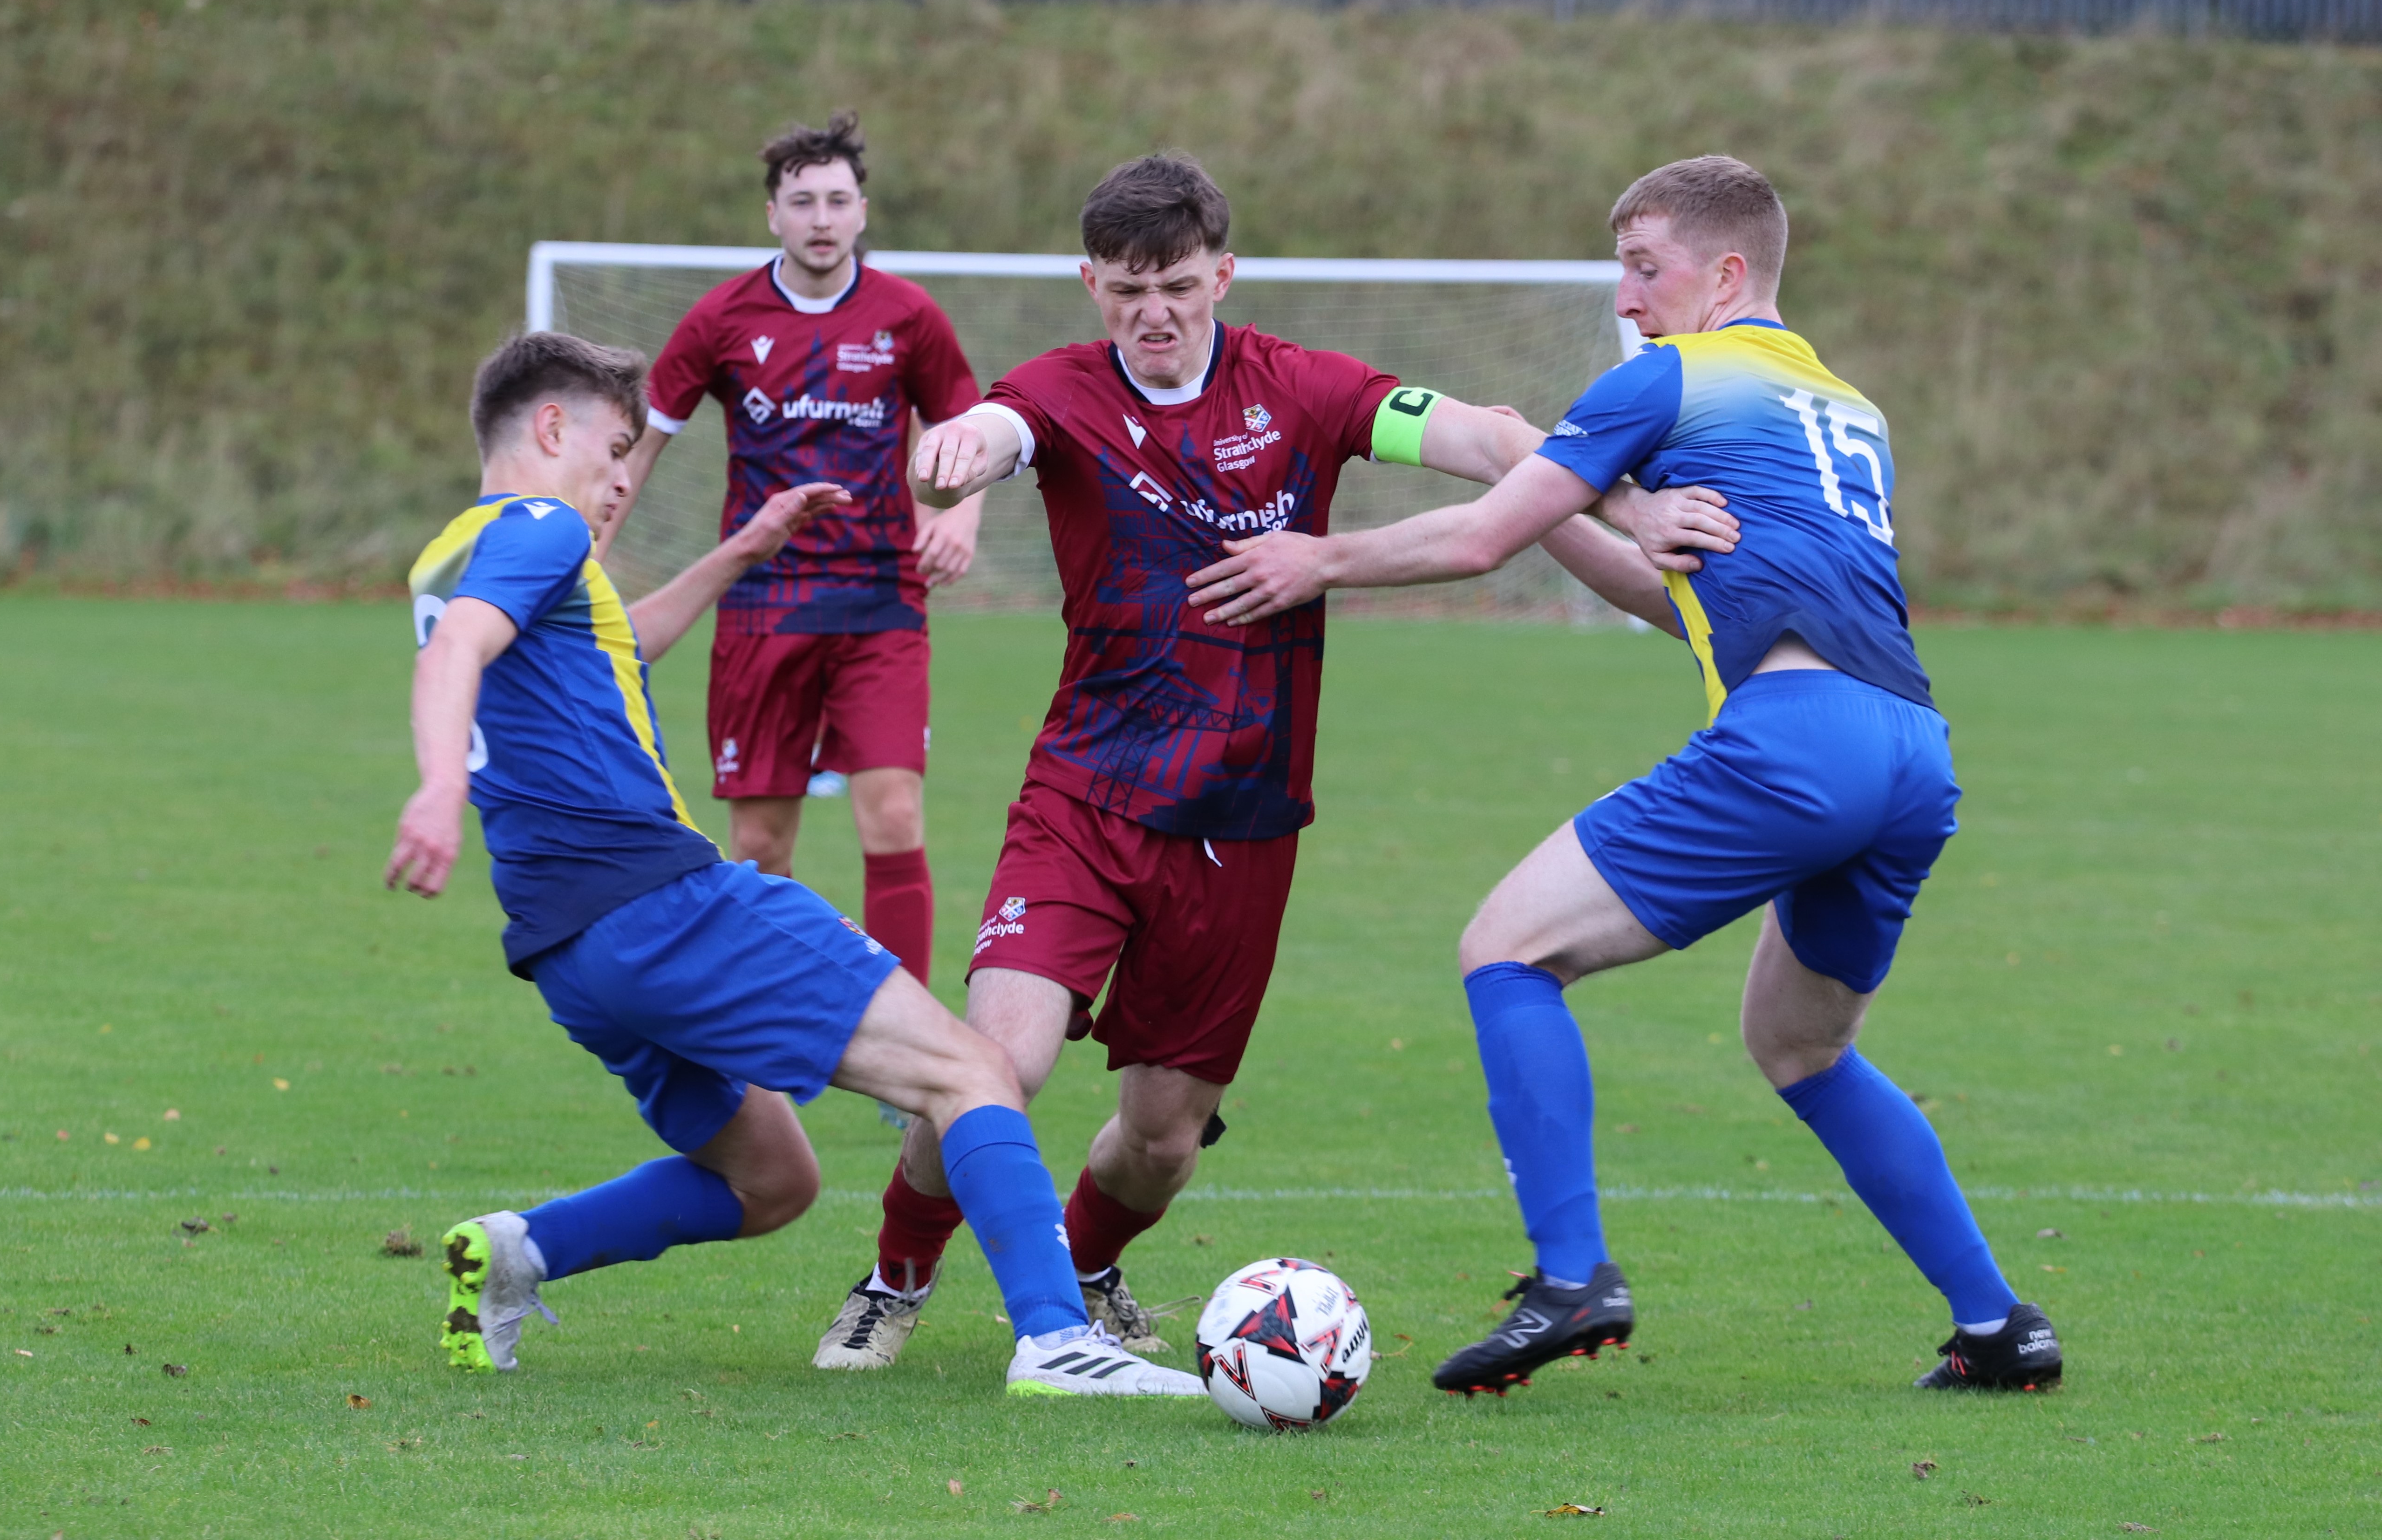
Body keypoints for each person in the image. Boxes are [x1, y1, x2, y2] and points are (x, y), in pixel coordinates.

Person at [807, 152, 1725, 1371]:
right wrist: (953, 455)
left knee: (1160, 1139)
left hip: (1241, 822)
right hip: (1084, 795)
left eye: (1177, 284)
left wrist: (1625, 507)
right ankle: (895, 1278)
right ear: (1091, 284)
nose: (1154, 311)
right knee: (991, 1067)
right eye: (1127, 289)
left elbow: (1488, 438)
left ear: (1221, 274)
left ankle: (1082, 1273)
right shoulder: (1059, 393)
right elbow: (989, 428)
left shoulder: (1301, 388)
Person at [1185, 154, 2064, 1397]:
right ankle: (1997, 1325)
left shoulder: (1668, 376)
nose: (1626, 298)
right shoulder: (1845, 411)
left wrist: (1319, 558)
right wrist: (1581, 506)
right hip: (1909, 754)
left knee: (1505, 949)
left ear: (1724, 271)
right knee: (1801, 1048)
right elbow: (1674, 604)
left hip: (1796, 747)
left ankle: (1571, 1277)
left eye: (1644, 268)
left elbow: (1482, 535)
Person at [385, 330, 1200, 1399]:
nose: (626, 473)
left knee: (770, 1177)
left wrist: (741, 551)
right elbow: (463, 655)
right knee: (969, 1069)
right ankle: (1056, 1338)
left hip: (569, 951)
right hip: (659, 902)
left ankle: (516, 1252)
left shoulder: (448, 553)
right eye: (617, 444)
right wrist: (439, 784)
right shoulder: (539, 523)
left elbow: (606, 641)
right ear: (550, 429)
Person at [606, 111, 982, 992]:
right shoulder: (723, 320)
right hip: (763, 604)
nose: (821, 217)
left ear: (863, 212)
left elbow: (967, 429)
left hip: (881, 600)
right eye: (802, 200)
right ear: (772, 213)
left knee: (893, 817)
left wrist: (959, 518)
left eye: (838, 200)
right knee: (761, 844)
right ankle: (769, 1026)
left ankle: (910, 1043)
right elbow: (640, 448)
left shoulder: (907, 316)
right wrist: (583, 549)